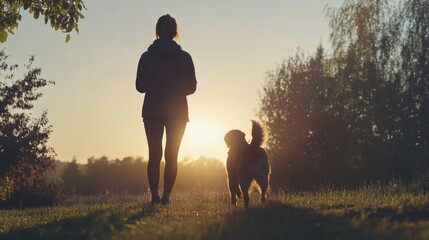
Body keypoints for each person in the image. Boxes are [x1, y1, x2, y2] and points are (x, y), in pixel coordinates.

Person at [136, 14, 197, 205]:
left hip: (152, 111)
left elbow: (140, 87)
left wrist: (156, 83)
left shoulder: (146, 57)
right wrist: (176, 89)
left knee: (154, 154)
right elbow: (192, 87)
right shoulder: (185, 57)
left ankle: (154, 195)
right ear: (174, 32)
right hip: (178, 112)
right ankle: (166, 197)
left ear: (156, 31)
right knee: (172, 155)